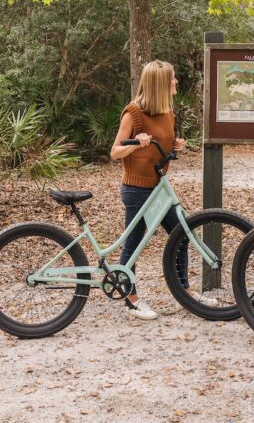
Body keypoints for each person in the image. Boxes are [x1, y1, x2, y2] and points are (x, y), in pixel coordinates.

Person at [110, 60, 188, 320]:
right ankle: (130, 299)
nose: (176, 82)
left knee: (182, 235)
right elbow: (115, 152)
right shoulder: (133, 113)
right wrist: (135, 143)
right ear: (160, 84)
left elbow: (161, 147)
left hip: (158, 190)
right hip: (136, 189)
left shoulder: (168, 113)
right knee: (133, 245)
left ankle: (185, 293)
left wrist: (175, 146)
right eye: (172, 79)